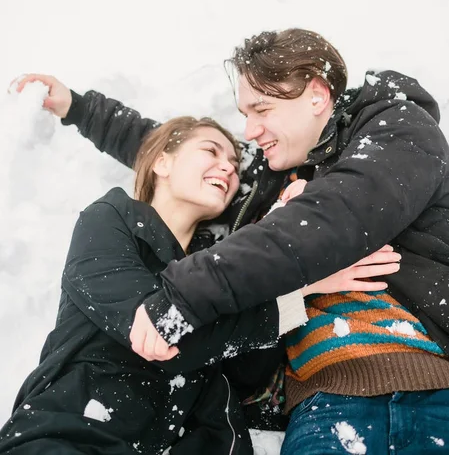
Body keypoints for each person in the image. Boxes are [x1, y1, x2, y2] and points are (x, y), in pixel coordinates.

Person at [15, 27, 449, 453]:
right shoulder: (264, 185)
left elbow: (332, 216)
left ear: (316, 95)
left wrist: (183, 295)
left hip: (429, 381)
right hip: (322, 402)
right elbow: (174, 152)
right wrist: (79, 108)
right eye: (244, 116)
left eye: (261, 109)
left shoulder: (392, 126)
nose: (249, 133)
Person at [0, 111, 398, 455]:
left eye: (232, 162)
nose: (227, 166)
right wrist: (301, 288)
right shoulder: (112, 219)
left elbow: (246, 373)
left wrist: (286, 252)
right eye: (210, 151)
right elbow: (156, 332)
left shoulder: (221, 268)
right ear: (162, 162)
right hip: (76, 433)